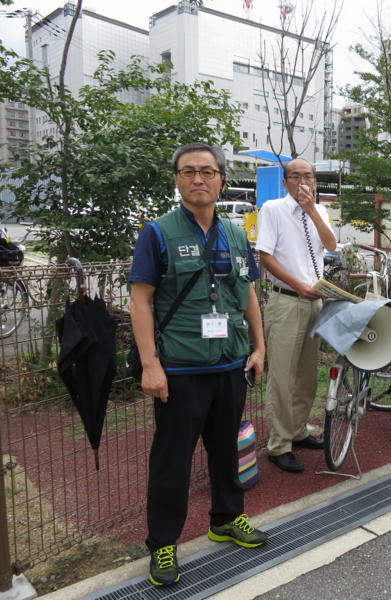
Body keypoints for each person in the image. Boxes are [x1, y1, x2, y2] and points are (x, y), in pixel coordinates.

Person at [130, 143, 268, 587]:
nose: (198, 179)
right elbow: (140, 300)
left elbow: (247, 292)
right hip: (180, 367)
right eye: (188, 171)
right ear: (176, 179)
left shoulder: (235, 232)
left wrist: (259, 347)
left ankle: (226, 518)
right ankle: (164, 542)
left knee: (227, 449)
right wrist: (150, 364)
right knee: (172, 459)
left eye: (207, 171)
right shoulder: (157, 232)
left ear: (221, 179)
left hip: (230, 363)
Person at [256, 158, 337, 473]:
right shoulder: (273, 209)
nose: (303, 181)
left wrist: (313, 211)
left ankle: (299, 430)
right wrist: (298, 285)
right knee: (282, 375)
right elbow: (264, 256)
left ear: (315, 181)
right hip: (287, 301)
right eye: (296, 176)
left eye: (309, 176)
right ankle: (278, 444)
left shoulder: (320, 211)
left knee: (306, 375)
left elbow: (329, 244)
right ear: (285, 182)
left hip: (314, 301)